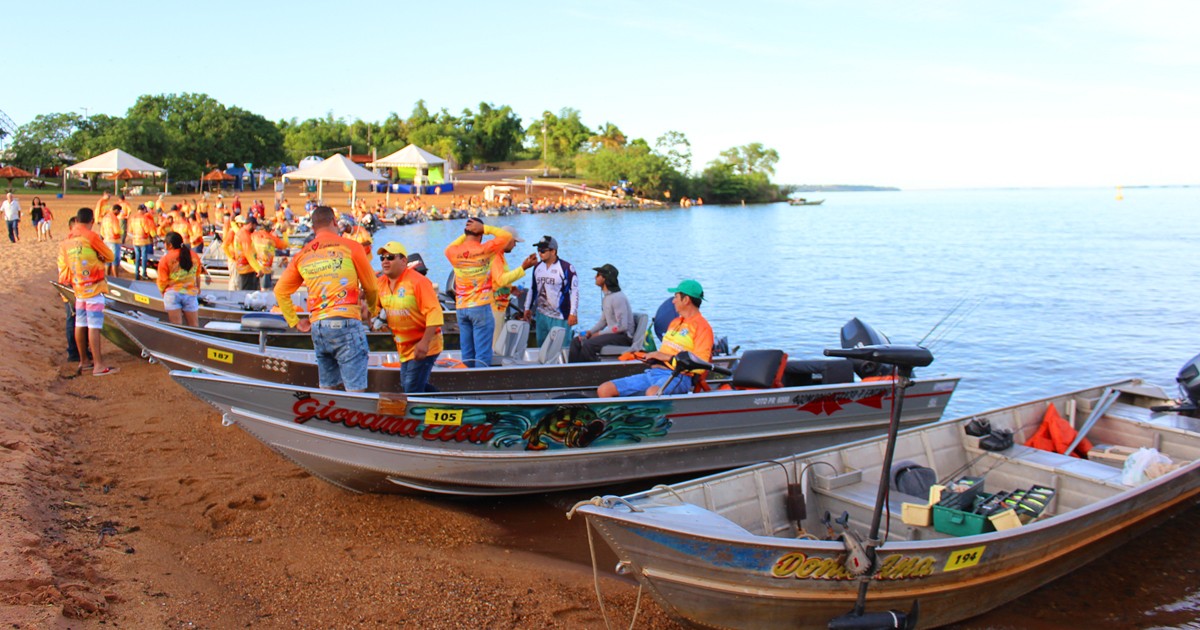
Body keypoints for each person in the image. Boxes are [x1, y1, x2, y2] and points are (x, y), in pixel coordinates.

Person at [274, 206, 379, 392]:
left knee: (328, 388)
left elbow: (280, 290)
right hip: (345, 322)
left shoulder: (302, 255)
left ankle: (327, 418)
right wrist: (372, 310)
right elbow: (371, 287)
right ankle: (354, 418)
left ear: (313, 228)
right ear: (335, 222)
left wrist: (295, 322)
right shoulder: (352, 247)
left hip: (319, 326)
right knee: (355, 390)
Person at [597, 280, 713, 397]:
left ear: (686, 300)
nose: (673, 301)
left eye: (676, 297)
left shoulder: (703, 328)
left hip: (678, 376)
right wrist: (636, 355)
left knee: (653, 393)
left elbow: (700, 366)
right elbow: (662, 354)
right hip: (654, 373)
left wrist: (666, 357)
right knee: (605, 390)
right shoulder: (675, 322)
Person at [443, 217, 515, 368]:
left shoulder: (453, 252)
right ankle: (480, 387)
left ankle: (467, 386)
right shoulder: (485, 249)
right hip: (481, 306)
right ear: (481, 234)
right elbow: (507, 237)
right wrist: (485, 228)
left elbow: (449, 247)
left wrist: (467, 233)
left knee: (467, 354)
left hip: (462, 308)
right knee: (482, 355)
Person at [374, 241, 444, 393]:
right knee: (412, 385)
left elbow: (434, 312)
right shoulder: (380, 283)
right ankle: (448, 402)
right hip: (403, 347)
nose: (385, 261)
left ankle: (433, 410)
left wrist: (424, 343)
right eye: (382, 258)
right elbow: (375, 310)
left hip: (426, 344)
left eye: (390, 257)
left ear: (403, 261)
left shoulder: (418, 281)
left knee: (411, 388)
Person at [58, 207, 117, 376]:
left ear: (77, 220)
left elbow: (64, 267)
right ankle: (98, 364)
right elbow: (110, 256)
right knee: (94, 326)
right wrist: (99, 258)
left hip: (78, 289)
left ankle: (84, 361)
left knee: (80, 323)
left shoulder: (67, 240)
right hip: (94, 287)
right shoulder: (91, 237)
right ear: (91, 221)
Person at [568, 264, 635, 363]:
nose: (595, 277)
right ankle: (572, 371)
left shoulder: (618, 298)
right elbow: (603, 321)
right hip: (613, 334)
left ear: (605, 278)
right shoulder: (607, 297)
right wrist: (590, 332)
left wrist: (598, 334)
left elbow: (622, 327)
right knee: (577, 341)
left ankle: (591, 373)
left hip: (623, 336)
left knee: (588, 344)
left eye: (598, 274)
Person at [523, 235, 579, 345]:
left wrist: (573, 313)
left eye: (543, 251)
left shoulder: (566, 268)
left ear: (553, 251)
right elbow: (533, 289)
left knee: (561, 348)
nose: (540, 253)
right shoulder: (537, 267)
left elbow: (574, 292)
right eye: (538, 250)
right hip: (541, 315)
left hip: (560, 316)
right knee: (542, 346)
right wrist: (527, 308)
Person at [490, 225, 537, 345]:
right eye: (514, 242)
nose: (515, 245)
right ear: (507, 240)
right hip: (493, 307)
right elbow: (501, 280)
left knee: (497, 342)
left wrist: (510, 289)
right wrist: (523, 268)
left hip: (498, 306)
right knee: (494, 344)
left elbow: (496, 281)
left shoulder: (499, 256)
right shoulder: (495, 256)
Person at [157, 231, 209, 327]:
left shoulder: (166, 259)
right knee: (194, 325)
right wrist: (198, 288)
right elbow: (198, 274)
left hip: (172, 293)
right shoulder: (194, 256)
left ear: (170, 245)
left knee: (176, 326)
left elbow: (162, 281)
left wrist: (163, 292)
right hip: (190, 293)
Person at [251, 218, 288, 290]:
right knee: (265, 290)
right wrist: (284, 233)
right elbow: (285, 245)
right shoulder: (272, 239)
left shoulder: (254, 235)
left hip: (255, 267)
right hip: (266, 268)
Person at [231, 215, 265, 290]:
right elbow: (249, 254)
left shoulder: (241, 232)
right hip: (247, 270)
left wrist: (232, 222)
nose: (255, 228)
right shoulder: (245, 236)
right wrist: (258, 269)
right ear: (250, 224)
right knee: (249, 294)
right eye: (255, 226)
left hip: (243, 268)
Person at [128, 204, 157, 280]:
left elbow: (130, 230)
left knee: (137, 257)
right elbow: (148, 230)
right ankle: (144, 273)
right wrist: (154, 236)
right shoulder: (144, 218)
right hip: (143, 241)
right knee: (144, 257)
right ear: (143, 210)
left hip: (135, 240)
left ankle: (137, 274)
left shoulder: (133, 218)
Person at [99, 204, 125, 278]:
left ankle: (107, 277)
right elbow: (117, 231)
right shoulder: (114, 218)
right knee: (115, 261)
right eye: (119, 211)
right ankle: (116, 277)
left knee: (108, 260)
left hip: (106, 240)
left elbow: (102, 232)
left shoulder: (105, 217)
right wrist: (121, 232)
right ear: (116, 210)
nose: (119, 213)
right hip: (114, 241)